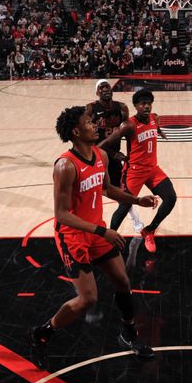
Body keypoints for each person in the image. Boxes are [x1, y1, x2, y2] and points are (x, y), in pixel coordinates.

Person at [28, 106, 159, 369]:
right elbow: (62, 214)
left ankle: (128, 332)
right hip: (73, 236)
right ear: (76, 131)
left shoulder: (101, 154)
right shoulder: (65, 166)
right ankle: (42, 333)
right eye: (89, 122)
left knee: (122, 280)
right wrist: (103, 231)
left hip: (97, 229)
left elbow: (107, 188)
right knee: (88, 299)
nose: (95, 123)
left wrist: (137, 200)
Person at [98, 90, 177, 254]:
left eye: (148, 103)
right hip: (134, 171)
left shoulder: (155, 118)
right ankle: (109, 239)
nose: (146, 106)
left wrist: (160, 131)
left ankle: (149, 230)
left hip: (152, 169)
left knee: (170, 198)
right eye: (142, 104)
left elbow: (156, 126)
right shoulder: (129, 125)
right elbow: (104, 144)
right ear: (135, 106)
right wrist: (113, 154)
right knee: (124, 206)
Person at [87, 80, 144, 233]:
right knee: (99, 191)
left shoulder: (121, 107)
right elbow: (86, 134)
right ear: (97, 92)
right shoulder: (91, 108)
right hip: (97, 154)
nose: (106, 89)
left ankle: (135, 221)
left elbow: (128, 132)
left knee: (122, 192)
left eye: (107, 86)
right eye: (102, 87)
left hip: (115, 156)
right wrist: (112, 153)